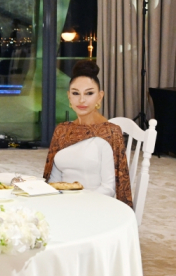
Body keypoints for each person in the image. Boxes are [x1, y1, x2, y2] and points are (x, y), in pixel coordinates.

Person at [43, 60, 132, 206]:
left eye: (89, 93)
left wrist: (77, 202)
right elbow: (53, 180)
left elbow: (109, 188)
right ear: (69, 96)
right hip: (63, 203)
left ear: (100, 96)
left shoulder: (109, 132)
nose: (82, 100)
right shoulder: (62, 130)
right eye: (75, 93)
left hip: (94, 205)